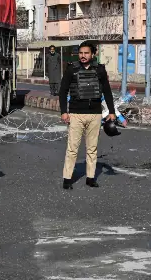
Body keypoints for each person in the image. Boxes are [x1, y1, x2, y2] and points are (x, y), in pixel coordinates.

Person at [60, 41, 117, 189]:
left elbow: (107, 91)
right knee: (72, 148)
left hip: (95, 114)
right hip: (76, 114)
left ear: (93, 54)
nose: (83, 56)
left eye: (86, 53)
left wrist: (111, 112)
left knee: (92, 148)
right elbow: (63, 91)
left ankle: (90, 178)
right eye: (81, 53)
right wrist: (64, 112)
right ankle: (67, 178)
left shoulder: (100, 70)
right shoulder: (71, 69)